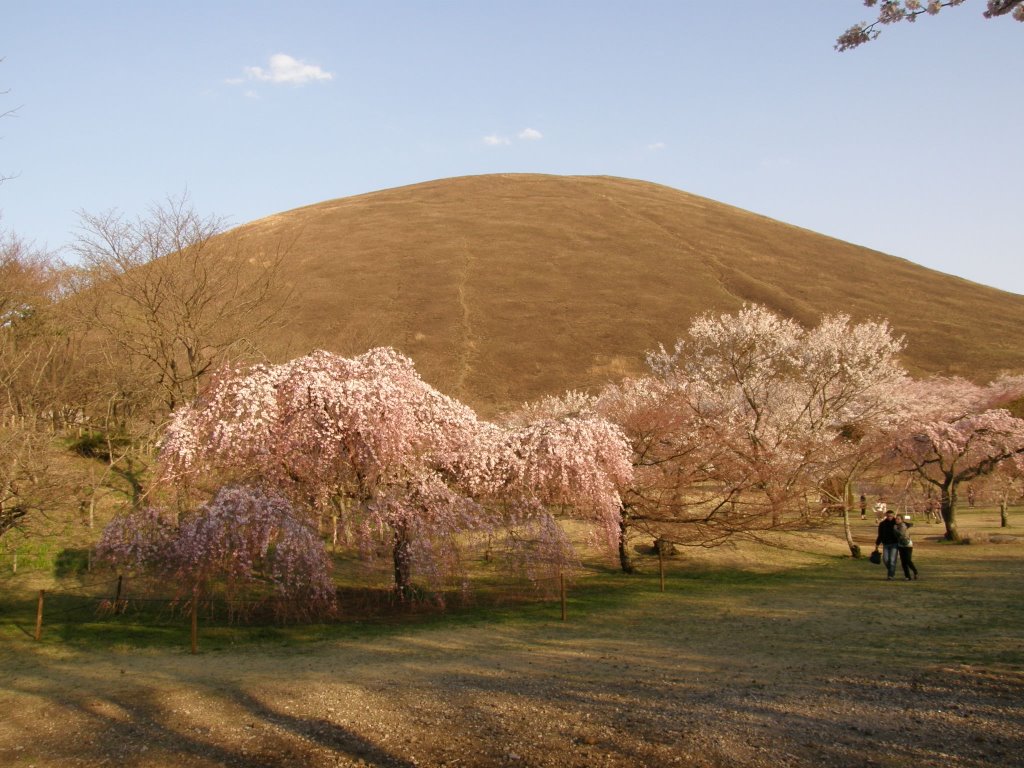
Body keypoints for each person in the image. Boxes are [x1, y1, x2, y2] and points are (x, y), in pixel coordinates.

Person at [874, 509, 900, 580]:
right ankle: (891, 571)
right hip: (886, 544)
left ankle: (890, 576)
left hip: (894, 544)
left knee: (892, 560)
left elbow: (904, 526)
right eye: (888, 516)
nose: (890, 517)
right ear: (886, 516)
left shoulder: (896, 523)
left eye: (891, 516)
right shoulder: (882, 524)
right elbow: (880, 535)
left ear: (893, 516)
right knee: (885, 560)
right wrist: (877, 543)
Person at [895, 515, 918, 580]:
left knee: (908, 560)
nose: (897, 520)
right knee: (903, 562)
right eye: (896, 519)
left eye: (898, 519)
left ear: (902, 520)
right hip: (900, 545)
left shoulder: (903, 526)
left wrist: (895, 529)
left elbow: (901, 534)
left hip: (907, 545)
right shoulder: (897, 526)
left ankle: (915, 571)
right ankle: (907, 576)